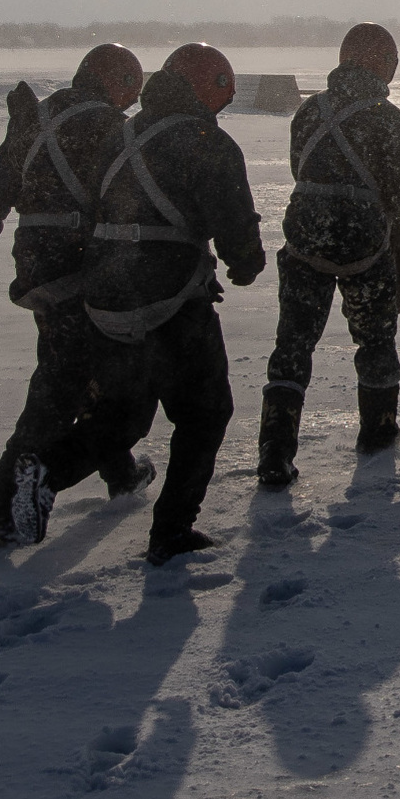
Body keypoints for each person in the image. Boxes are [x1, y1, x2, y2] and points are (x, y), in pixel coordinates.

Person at [0, 43, 150, 545]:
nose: (130, 102)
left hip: (36, 269)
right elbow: (133, 210)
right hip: (86, 270)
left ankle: (121, 474)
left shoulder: (32, 123)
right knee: (66, 386)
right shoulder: (115, 131)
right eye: (130, 90)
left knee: (78, 367)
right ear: (115, 82)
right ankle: (1, 508)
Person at [75, 42, 267, 566]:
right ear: (209, 86)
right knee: (206, 413)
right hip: (171, 302)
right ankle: (172, 531)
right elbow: (237, 235)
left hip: (104, 295)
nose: (220, 110)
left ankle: (40, 472)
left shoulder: (121, 134)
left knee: (120, 417)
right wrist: (245, 264)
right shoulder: (206, 143)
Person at [258, 22, 400, 486]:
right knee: (375, 343)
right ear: (382, 64)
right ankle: (377, 433)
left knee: (292, 347)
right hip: (367, 250)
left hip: (304, 245)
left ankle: (275, 450)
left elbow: (298, 168)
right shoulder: (390, 121)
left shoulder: (310, 112)